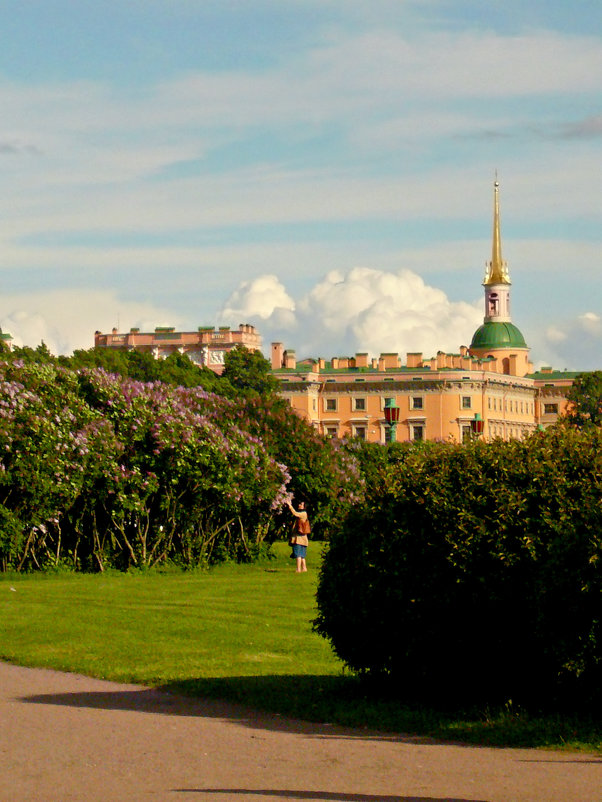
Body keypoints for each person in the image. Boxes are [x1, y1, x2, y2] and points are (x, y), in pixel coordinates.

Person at [287, 499, 310, 573]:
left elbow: (295, 513)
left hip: (298, 539)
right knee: (302, 555)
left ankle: (298, 569)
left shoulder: (303, 513)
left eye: (301, 504)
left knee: (298, 554)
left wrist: (290, 506)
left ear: (304, 506)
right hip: (303, 539)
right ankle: (304, 568)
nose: (299, 505)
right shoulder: (304, 514)